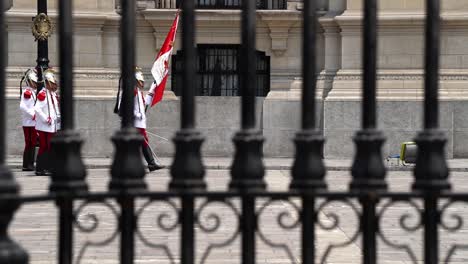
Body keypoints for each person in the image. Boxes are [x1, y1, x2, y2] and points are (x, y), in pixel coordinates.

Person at [115, 67, 165, 172]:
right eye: (141, 81)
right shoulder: (131, 91)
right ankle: (150, 163)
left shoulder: (137, 91)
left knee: (139, 142)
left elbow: (145, 103)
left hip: (139, 122)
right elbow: (124, 105)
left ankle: (149, 164)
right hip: (134, 122)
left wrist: (153, 87)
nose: (142, 83)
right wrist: (135, 114)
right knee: (139, 142)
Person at [34, 69, 60, 176]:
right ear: (48, 83)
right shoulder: (43, 94)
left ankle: (45, 167)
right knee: (46, 147)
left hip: (52, 126)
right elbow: (37, 108)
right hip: (45, 126)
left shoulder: (52, 94)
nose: (54, 85)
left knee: (48, 147)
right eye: (53, 83)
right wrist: (46, 118)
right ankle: (42, 168)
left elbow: (55, 109)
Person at [19, 68, 39, 171]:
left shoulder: (34, 92)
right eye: (34, 82)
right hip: (28, 122)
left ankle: (29, 164)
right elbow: (22, 106)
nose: (35, 84)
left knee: (32, 143)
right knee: (29, 143)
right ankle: (27, 164)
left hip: (33, 122)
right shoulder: (27, 92)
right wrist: (32, 114)